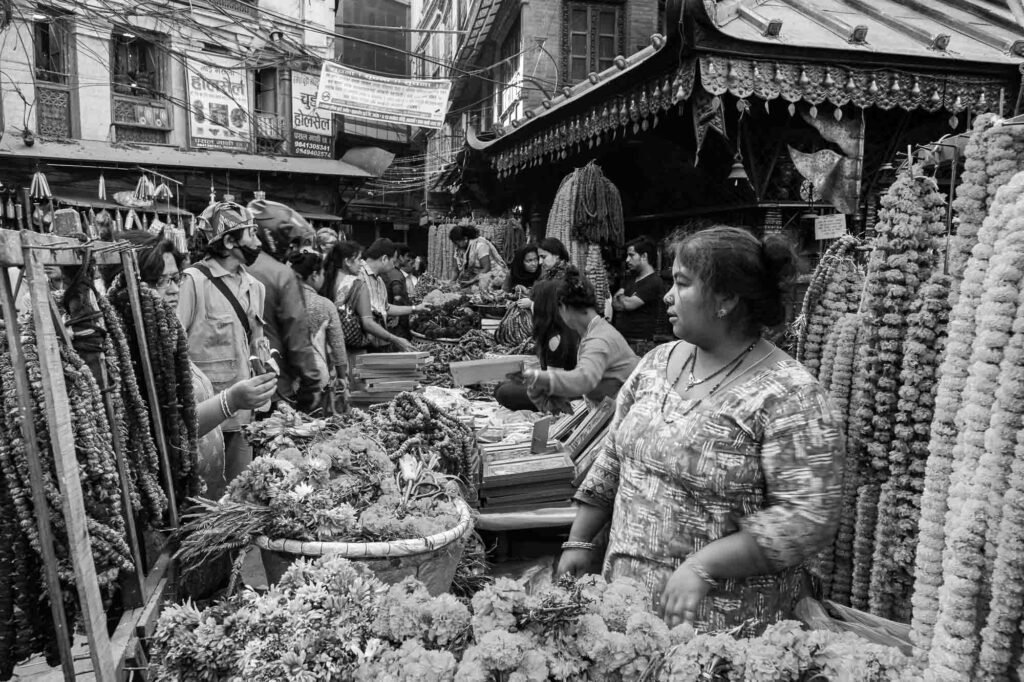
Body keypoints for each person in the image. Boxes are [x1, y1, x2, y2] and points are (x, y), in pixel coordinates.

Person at [556, 226, 843, 634]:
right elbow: (613, 458)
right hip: (624, 611)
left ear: (725, 299)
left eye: (682, 283)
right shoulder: (656, 363)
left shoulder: (790, 395)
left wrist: (705, 565)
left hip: (725, 631)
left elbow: (808, 517)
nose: (668, 296)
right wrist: (580, 540)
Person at [116, 231, 277, 500]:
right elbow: (168, 428)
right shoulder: (133, 349)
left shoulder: (253, 286)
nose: (174, 289)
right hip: (173, 489)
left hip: (209, 463)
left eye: (175, 278)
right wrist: (231, 400)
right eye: (160, 282)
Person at [177, 201, 268, 482]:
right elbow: (174, 346)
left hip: (243, 416)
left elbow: (256, 343)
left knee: (240, 495)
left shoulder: (256, 288)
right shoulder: (191, 282)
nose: (258, 241)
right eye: (251, 233)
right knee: (206, 498)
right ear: (229, 241)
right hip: (205, 417)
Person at [521, 268, 639, 413]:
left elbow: (583, 380)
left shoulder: (599, 339)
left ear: (563, 307)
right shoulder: (595, 330)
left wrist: (540, 380)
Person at [244, 199, 324, 413]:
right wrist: (311, 383)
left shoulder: (231, 266)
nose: (292, 250)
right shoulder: (281, 274)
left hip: (231, 388)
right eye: (290, 243)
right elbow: (297, 335)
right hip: (273, 387)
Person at [494, 279, 578, 412]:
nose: (531, 306)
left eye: (534, 303)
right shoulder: (566, 326)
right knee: (504, 386)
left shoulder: (555, 337)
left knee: (503, 392)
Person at [324, 240, 420, 352]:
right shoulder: (358, 280)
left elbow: (385, 308)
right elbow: (367, 322)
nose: (361, 263)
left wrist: (415, 309)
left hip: (339, 344)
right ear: (384, 259)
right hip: (359, 346)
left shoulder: (379, 280)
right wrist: (395, 339)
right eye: (359, 259)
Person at [289, 249, 350, 414]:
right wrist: (342, 377)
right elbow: (338, 347)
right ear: (314, 275)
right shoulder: (325, 305)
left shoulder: (282, 301)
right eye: (322, 273)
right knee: (314, 427)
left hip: (286, 378)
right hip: (316, 377)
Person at [612, 236, 665, 356]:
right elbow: (615, 304)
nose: (627, 260)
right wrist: (622, 299)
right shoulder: (630, 279)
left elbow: (629, 304)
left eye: (631, 255)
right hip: (623, 342)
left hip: (640, 345)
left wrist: (622, 297)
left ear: (644, 256)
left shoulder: (654, 281)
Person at [374, 239, 414, 340]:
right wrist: (397, 317)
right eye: (406, 257)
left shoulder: (383, 274)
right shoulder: (396, 274)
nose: (407, 260)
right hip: (397, 320)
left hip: (390, 315)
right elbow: (397, 294)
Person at [449, 224, 508, 290]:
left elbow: (486, 268)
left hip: (493, 276)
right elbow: (455, 268)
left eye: (457, 242)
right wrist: (452, 282)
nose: (456, 245)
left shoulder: (480, 245)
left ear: (465, 239)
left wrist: (472, 281)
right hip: (476, 277)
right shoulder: (459, 249)